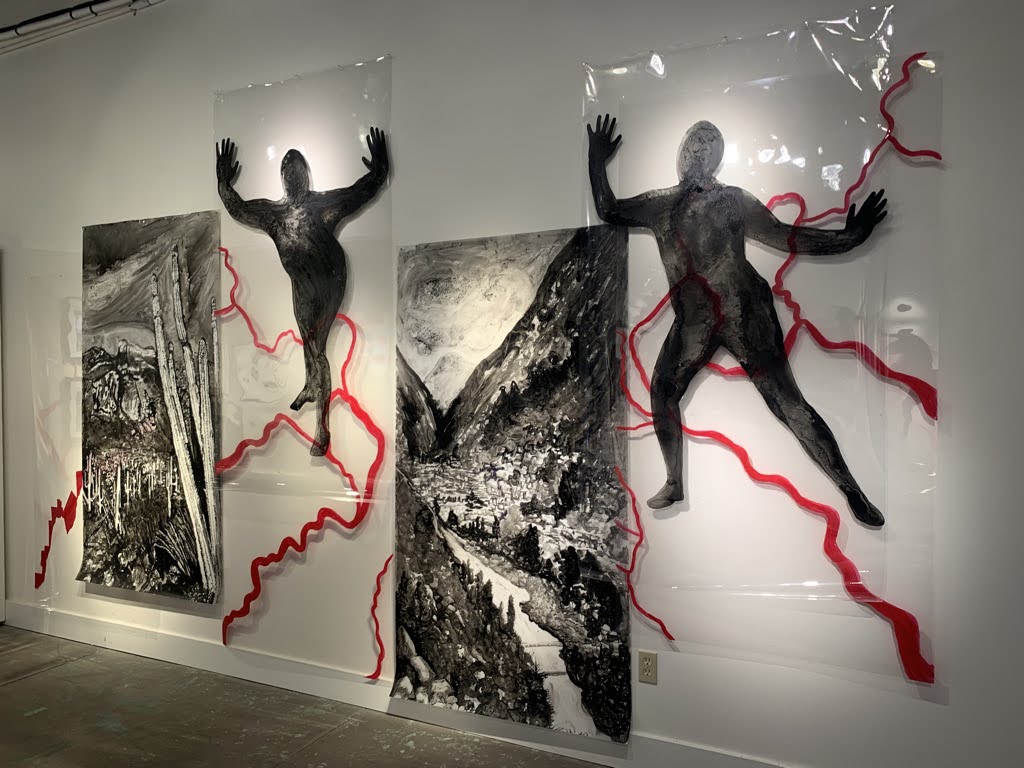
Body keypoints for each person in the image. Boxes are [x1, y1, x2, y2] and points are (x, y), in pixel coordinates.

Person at [588, 115, 888, 526]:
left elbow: (785, 235)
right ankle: (674, 481)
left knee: (787, 403)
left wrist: (849, 238)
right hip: (695, 319)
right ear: (681, 154)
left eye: (706, 147)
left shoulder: (730, 200)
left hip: (744, 310)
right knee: (663, 390)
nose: (696, 154)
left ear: (715, 159)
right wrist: (596, 160)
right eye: (692, 146)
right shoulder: (662, 204)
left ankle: (852, 490)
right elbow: (609, 210)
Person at [216, 129, 388, 455]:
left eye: (298, 175)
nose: (294, 181)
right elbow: (239, 209)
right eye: (289, 176)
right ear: (284, 180)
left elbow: (359, 192)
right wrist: (223, 185)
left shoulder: (322, 206)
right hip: (301, 285)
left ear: (305, 178)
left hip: (329, 280)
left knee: (316, 348)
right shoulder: (274, 216)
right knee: (309, 341)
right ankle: (311, 386)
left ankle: (322, 427)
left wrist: (379, 170)